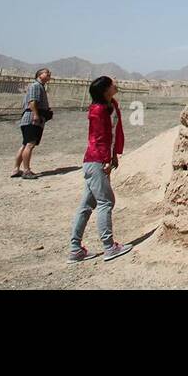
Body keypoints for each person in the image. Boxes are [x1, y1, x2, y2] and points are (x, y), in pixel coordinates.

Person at [68, 76, 132, 263]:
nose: (116, 84)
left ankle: (75, 249)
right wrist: (105, 159)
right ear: (105, 90)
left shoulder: (110, 105)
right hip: (96, 161)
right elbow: (99, 137)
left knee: (87, 205)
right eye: (112, 84)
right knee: (106, 202)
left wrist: (113, 156)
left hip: (98, 160)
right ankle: (109, 246)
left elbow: (113, 134)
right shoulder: (98, 110)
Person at [11, 68, 52, 179]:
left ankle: (16, 169)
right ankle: (26, 171)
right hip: (32, 119)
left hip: (31, 118)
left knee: (25, 144)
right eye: (46, 73)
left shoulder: (40, 87)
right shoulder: (36, 86)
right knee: (30, 144)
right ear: (39, 75)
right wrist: (36, 115)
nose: (49, 75)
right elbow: (32, 102)